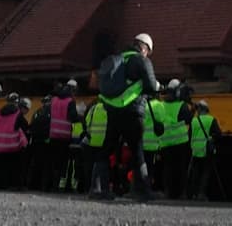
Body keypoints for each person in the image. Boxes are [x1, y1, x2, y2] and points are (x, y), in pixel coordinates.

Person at [88, 33, 162, 201]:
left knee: (106, 149)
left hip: (113, 110)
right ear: (144, 47)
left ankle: (98, 188)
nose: (147, 54)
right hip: (132, 111)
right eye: (148, 51)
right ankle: (141, 190)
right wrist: (155, 86)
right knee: (137, 150)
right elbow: (151, 87)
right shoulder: (141, 60)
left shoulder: (118, 58)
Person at [0, 91, 29, 190]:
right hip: (11, 146)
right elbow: (22, 129)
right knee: (14, 166)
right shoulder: (18, 114)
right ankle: (14, 185)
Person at [158, 80, 191, 200]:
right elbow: (188, 120)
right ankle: (182, 193)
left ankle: (168, 192)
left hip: (165, 142)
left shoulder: (162, 104)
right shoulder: (181, 105)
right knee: (181, 169)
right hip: (180, 142)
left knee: (167, 168)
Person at [45, 80, 80, 191]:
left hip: (53, 135)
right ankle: (59, 186)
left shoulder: (54, 100)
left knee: (52, 161)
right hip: (64, 136)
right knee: (63, 163)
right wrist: (80, 116)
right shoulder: (70, 101)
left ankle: (49, 185)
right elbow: (73, 118)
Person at [186, 99, 222, 201]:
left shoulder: (193, 121)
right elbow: (219, 135)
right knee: (205, 173)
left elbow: (189, 135)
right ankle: (201, 194)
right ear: (207, 109)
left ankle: (194, 194)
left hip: (195, 151)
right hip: (206, 151)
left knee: (195, 173)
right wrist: (212, 138)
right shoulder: (211, 120)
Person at [78, 96, 108, 194]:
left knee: (90, 167)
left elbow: (87, 122)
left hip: (92, 142)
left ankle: (89, 187)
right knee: (102, 166)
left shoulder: (93, 108)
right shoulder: (109, 109)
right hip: (104, 143)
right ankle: (102, 188)